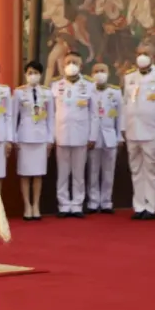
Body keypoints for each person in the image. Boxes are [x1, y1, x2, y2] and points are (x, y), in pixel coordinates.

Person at [123, 43, 155, 219]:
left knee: (151, 169)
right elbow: (125, 102)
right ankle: (139, 205)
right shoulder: (129, 76)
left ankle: (151, 207)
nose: (142, 56)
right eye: (139, 53)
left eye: (146, 53)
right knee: (136, 169)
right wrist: (123, 127)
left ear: (153, 56)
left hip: (152, 128)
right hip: (132, 128)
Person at [51, 51, 97, 217]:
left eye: (75, 62)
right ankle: (63, 205)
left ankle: (77, 204)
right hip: (61, 134)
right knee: (63, 173)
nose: (71, 65)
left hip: (81, 135)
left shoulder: (89, 85)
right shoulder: (56, 85)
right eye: (68, 62)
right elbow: (51, 112)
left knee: (78, 173)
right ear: (63, 65)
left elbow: (94, 113)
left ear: (81, 65)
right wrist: (52, 136)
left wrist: (92, 136)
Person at [13, 61, 54, 220]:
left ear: (41, 74)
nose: (33, 75)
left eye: (36, 72)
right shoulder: (18, 93)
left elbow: (51, 117)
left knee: (38, 174)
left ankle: (36, 205)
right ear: (25, 74)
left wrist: (50, 139)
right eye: (30, 72)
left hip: (41, 137)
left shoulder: (47, 93)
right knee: (24, 174)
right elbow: (12, 116)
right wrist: (13, 138)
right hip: (24, 136)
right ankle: (27, 206)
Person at [87, 63, 122, 214]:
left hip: (110, 135)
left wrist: (120, 136)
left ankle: (107, 201)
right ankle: (93, 201)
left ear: (108, 73)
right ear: (91, 73)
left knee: (109, 171)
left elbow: (120, 116)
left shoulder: (115, 91)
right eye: (96, 71)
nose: (99, 73)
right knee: (93, 170)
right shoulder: (87, 90)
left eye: (103, 70)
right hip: (93, 137)